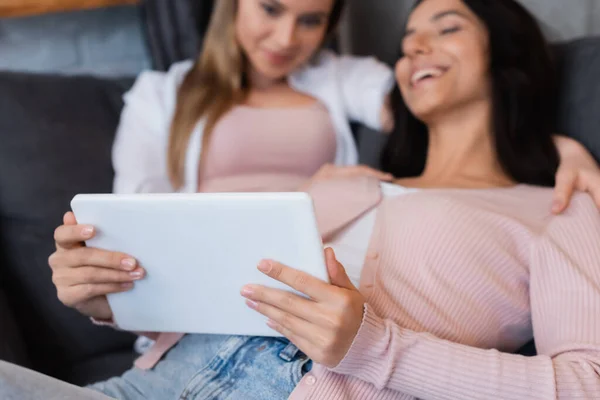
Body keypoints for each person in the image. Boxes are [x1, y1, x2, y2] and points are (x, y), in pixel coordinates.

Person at [1, 0, 600, 399]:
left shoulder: (555, 206)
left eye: (446, 28)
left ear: (510, 55)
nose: (415, 48)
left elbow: (586, 381)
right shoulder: (337, 178)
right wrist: (107, 298)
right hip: (150, 381)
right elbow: (212, 284)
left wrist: (378, 349)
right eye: (407, 38)